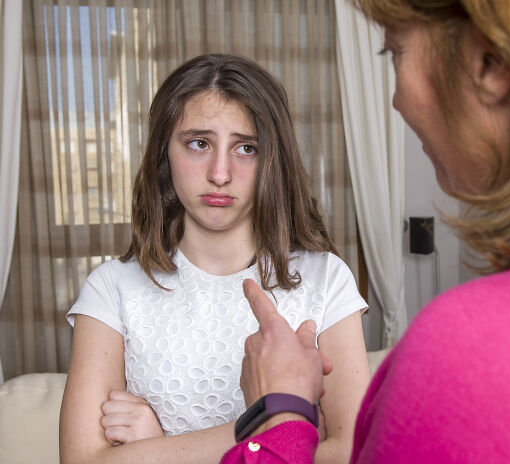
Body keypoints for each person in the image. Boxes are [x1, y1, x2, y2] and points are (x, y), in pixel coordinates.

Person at [220, 0, 510, 462]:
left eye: (396, 53)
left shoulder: (472, 357)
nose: (396, 101)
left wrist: (277, 416)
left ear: (490, 62)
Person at [59, 54, 370, 464]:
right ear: (163, 154)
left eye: (245, 148)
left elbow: (353, 451)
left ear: (271, 161)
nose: (220, 173)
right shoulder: (111, 288)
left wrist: (155, 448)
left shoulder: (327, 278)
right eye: (199, 143)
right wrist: (291, 421)